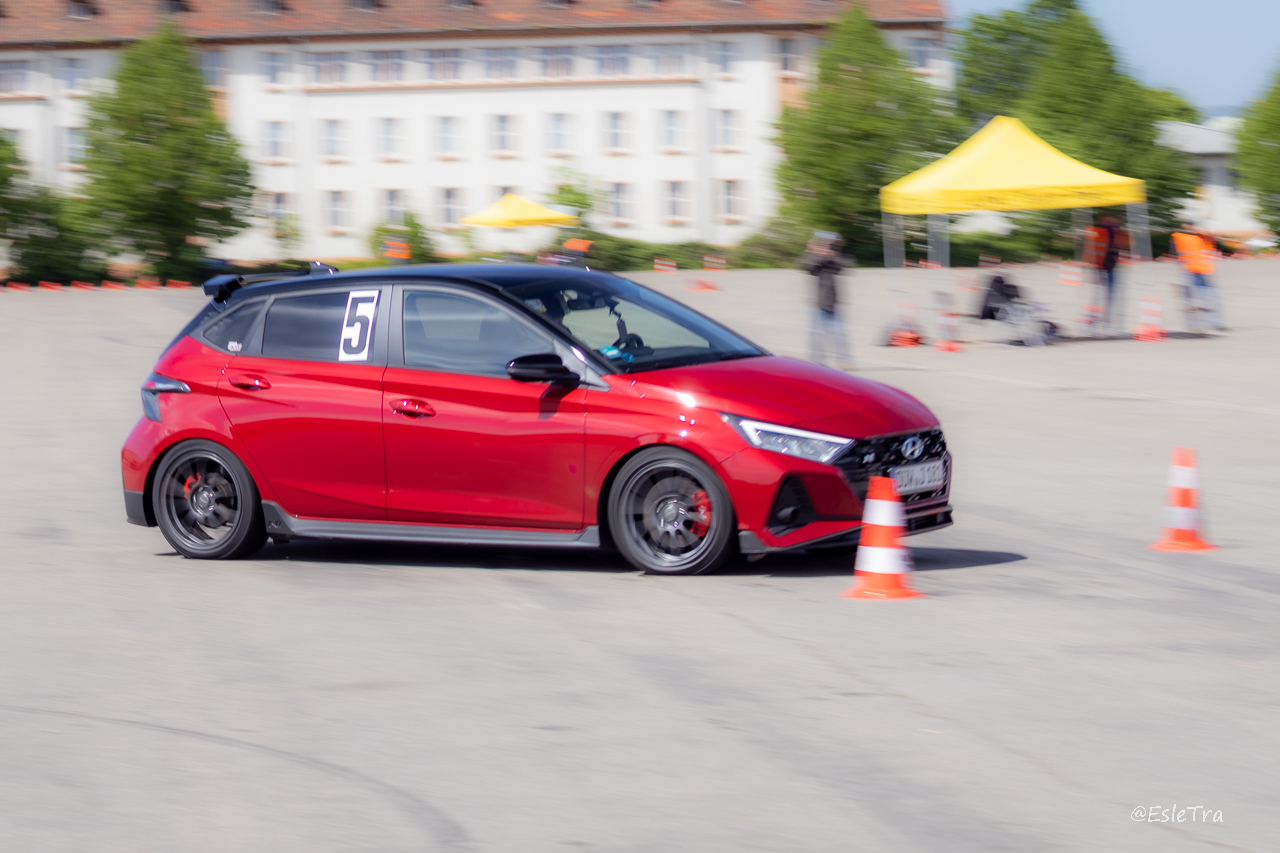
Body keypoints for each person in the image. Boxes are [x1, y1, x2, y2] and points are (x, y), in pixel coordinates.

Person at [802, 232, 854, 369]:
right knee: (817, 334)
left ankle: (844, 361)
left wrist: (832, 255)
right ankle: (816, 362)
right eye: (823, 247)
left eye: (827, 247)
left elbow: (842, 267)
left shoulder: (833, 260)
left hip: (833, 302)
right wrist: (815, 253)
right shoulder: (815, 260)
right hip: (818, 304)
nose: (826, 249)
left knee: (840, 334)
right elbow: (808, 267)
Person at [1170, 223, 1225, 331]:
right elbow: (1175, 253)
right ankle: (1194, 323)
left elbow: (1219, 245)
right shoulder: (1180, 237)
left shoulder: (1206, 238)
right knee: (1191, 300)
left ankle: (1214, 322)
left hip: (1204, 271)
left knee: (1208, 298)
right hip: (1189, 272)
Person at [1083, 214, 1127, 331]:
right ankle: (1095, 321)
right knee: (1102, 297)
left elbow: (1118, 249)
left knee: (1107, 297)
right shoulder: (1102, 233)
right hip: (1102, 269)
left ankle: (1104, 321)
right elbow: (1094, 251)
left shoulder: (1114, 233)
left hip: (1109, 268)